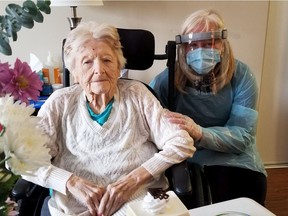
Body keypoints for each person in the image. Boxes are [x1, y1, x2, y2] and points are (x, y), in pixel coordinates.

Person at [23, 22, 195, 216]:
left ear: (118, 66)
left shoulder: (137, 95)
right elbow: (25, 159)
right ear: (75, 73)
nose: (99, 70)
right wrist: (70, 182)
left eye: (106, 60)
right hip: (79, 210)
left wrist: (133, 180)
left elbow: (182, 142)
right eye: (87, 62)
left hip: (141, 207)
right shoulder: (59, 103)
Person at [150, 9, 267, 206]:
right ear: (183, 48)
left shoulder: (242, 76)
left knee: (241, 202)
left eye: (208, 44)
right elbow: (151, 128)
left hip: (235, 160)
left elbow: (243, 136)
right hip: (185, 157)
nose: (200, 51)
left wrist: (200, 133)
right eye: (193, 45)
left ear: (223, 44)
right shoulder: (166, 81)